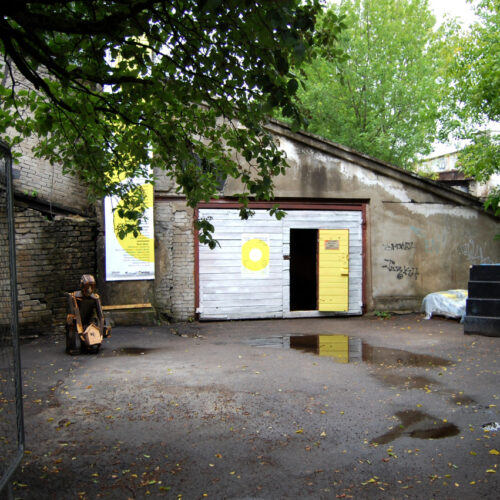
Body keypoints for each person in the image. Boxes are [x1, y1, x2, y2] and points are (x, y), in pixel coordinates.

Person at [65, 274, 106, 354]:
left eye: (91, 286)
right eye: (87, 286)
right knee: (70, 322)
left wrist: (101, 333)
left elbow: (100, 316)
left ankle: (88, 344)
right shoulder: (74, 296)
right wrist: (80, 331)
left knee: (93, 324)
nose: (89, 289)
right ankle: (71, 347)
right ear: (82, 286)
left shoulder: (95, 298)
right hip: (76, 319)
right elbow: (74, 312)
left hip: (88, 319)